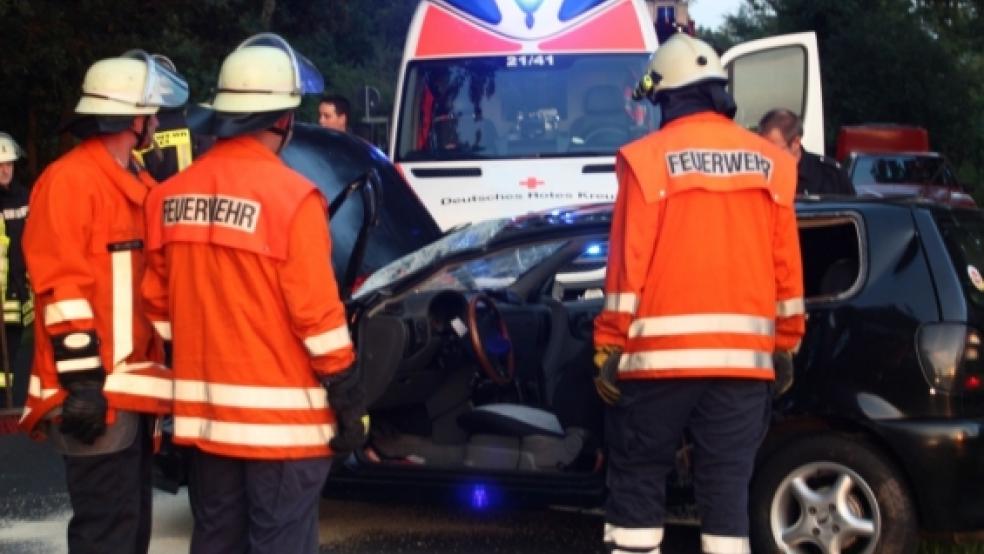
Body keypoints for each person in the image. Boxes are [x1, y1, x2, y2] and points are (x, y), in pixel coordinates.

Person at [142, 33, 362, 554]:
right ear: (283, 119)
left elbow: (159, 308)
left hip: (208, 423)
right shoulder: (293, 199)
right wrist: (348, 395)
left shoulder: (167, 198)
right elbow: (317, 317)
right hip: (284, 430)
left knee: (217, 542)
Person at [593, 33, 806, 554]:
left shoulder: (646, 159)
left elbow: (626, 266)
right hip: (742, 370)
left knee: (640, 479)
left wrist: (609, 343)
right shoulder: (773, 163)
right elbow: (787, 268)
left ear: (670, 97)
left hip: (658, 366)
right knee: (726, 491)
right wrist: (785, 343)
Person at [18, 50, 186, 553]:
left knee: (129, 529)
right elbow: (61, 289)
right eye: (150, 113)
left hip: (130, 391)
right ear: (131, 119)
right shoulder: (71, 182)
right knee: (105, 534)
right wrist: (83, 382)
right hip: (95, 394)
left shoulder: (134, 184)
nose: (156, 121)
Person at [0, 132, 32, 408]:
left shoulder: (24, 197)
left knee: (11, 347)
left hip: (18, 290)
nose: (5, 169)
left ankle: (6, 398)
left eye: (8, 163)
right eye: (0, 165)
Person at [759, 108, 855, 196]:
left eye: (772, 149)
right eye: (762, 148)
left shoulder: (831, 175)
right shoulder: (756, 173)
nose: (766, 155)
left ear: (796, 143)